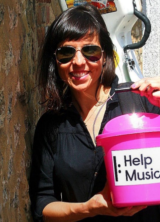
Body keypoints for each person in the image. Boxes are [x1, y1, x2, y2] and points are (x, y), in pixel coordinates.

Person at [29, 3, 160, 222]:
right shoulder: (51, 126)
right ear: (55, 61)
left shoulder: (141, 103)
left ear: (106, 55)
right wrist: (88, 209)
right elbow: (42, 206)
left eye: (90, 51)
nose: (78, 62)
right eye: (66, 53)